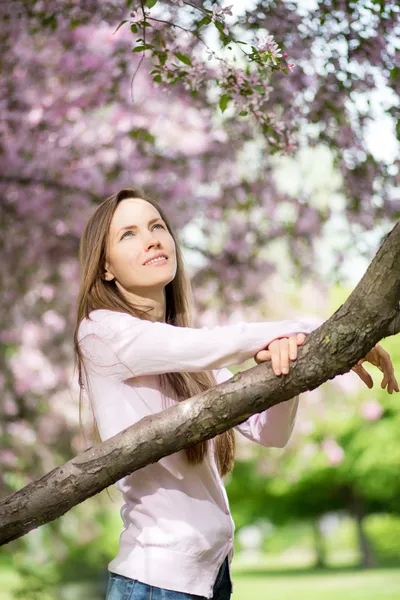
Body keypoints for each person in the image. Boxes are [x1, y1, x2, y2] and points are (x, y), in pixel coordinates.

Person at [73, 188, 398, 600]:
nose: (152, 238)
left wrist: (286, 365)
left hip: (209, 577)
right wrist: (322, 329)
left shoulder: (184, 349)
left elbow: (269, 433)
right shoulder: (101, 332)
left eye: (157, 226)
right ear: (105, 269)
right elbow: (213, 343)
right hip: (157, 581)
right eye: (129, 234)